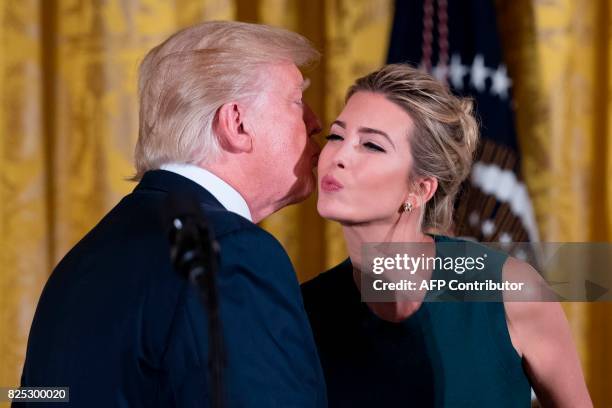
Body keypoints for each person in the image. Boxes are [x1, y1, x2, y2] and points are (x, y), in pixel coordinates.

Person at [19, 21, 326, 407]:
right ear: (237, 123)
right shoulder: (230, 252)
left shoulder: (81, 261)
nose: (315, 122)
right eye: (297, 101)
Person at [301, 64, 592, 407]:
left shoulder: (510, 292)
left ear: (420, 189)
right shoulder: (303, 310)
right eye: (336, 136)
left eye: (371, 145)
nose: (338, 156)